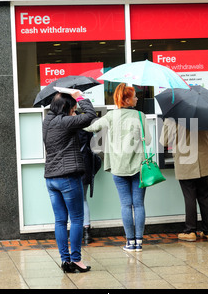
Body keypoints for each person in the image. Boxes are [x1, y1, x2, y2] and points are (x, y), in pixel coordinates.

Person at [84, 83, 151, 252]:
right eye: (134, 96)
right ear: (127, 99)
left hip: (118, 168)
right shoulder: (140, 116)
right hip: (139, 168)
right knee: (139, 205)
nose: (136, 98)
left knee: (125, 205)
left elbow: (90, 127)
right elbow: (148, 141)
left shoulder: (111, 116)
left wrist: (74, 118)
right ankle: (139, 242)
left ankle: (129, 242)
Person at [42, 90, 97, 273]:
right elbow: (90, 115)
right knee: (76, 219)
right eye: (73, 107)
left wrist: (62, 96)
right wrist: (79, 95)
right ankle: (76, 260)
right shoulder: (65, 122)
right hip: (68, 177)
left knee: (59, 221)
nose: (75, 109)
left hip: (51, 179)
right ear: (67, 108)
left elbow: (56, 111)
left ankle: (65, 261)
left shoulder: (47, 121)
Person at [159, 118, 208, 242]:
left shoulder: (172, 118)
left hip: (186, 163)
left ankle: (190, 231)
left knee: (189, 197)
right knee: (205, 197)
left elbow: (164, 141)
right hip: (205, 161)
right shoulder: (204, 113)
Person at [78, 128, 102, 244]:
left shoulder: (64, 123)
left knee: (71, 201)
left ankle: (76, 232)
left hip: (69, 168)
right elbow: (94, 146)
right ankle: (87, 233)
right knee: (83, 200)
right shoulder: (85, 126)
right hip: (84, 167)